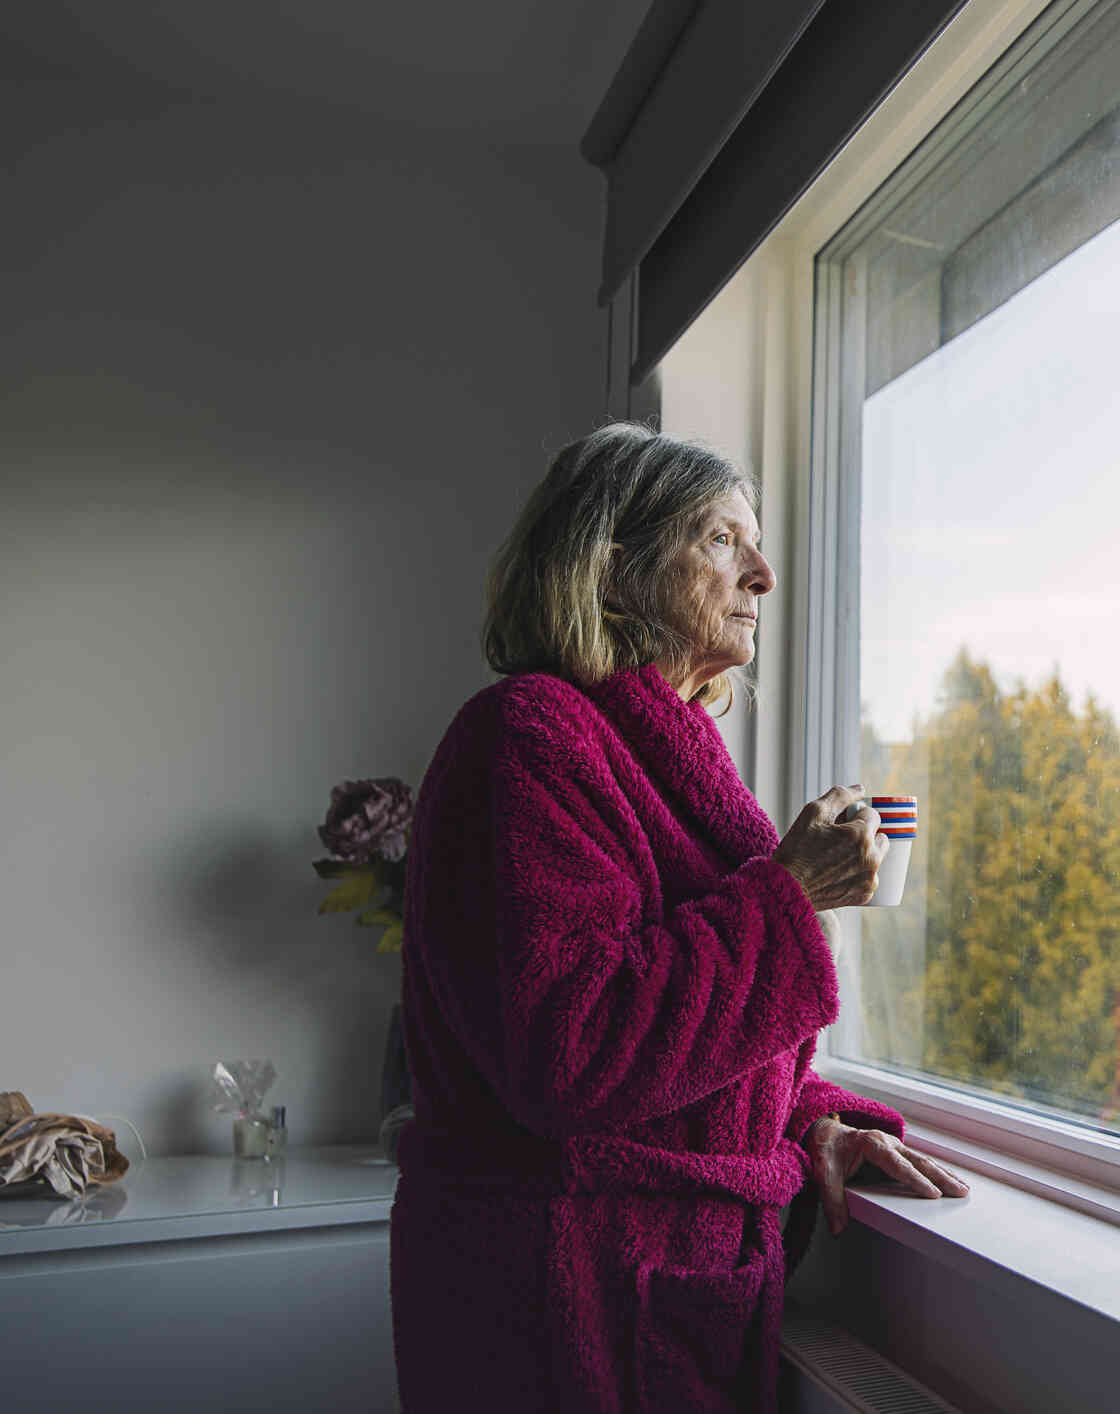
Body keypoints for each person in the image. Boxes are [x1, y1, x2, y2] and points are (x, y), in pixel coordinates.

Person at [388, 422, 968, 1414]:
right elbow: (573, 1050)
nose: (765, 574)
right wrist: (791, 894)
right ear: (612, 576)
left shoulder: (668, 757)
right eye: (720, 539)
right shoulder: (527, 738)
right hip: (547, 1304)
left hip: (661, 1290)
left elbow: (691, 1052)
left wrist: (814, 1115)